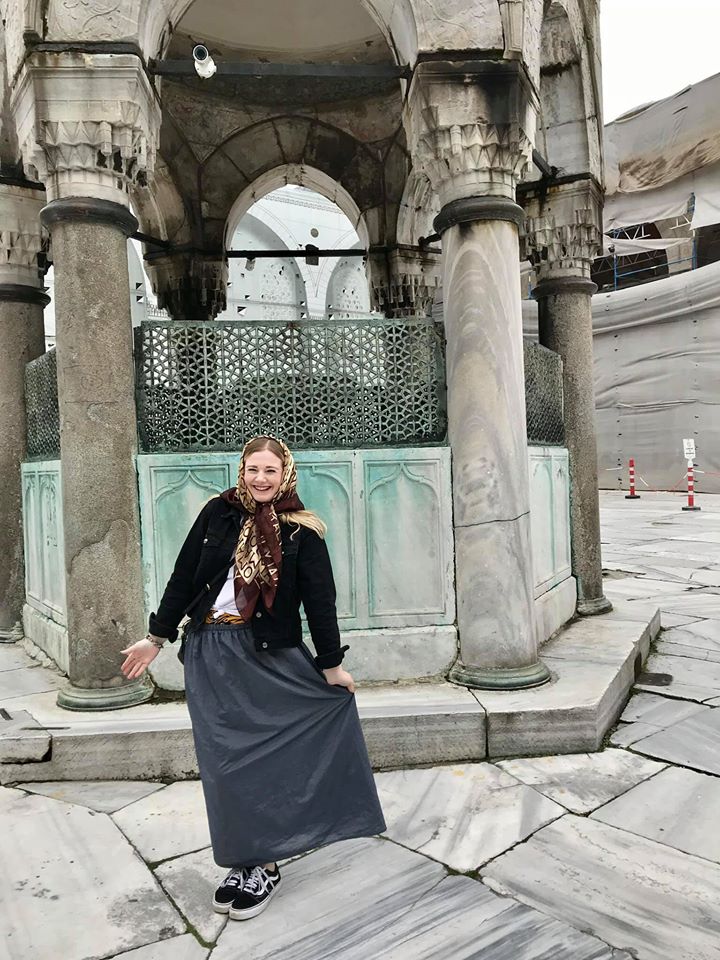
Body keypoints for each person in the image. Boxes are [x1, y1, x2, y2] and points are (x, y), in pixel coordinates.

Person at [120, 435, 386, 921]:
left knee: (267, 761)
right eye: (252, 469)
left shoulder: (303, 532)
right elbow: (183, 577)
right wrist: (155, 638)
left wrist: (331, 665)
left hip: (266, 655)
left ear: (285, 474)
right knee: (224, 764)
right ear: (241, 471)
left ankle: (264, 864)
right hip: (209, 651)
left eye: (270, 470)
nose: (260, 478)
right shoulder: (216, 514)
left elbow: (320, 603)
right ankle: (244, 858)